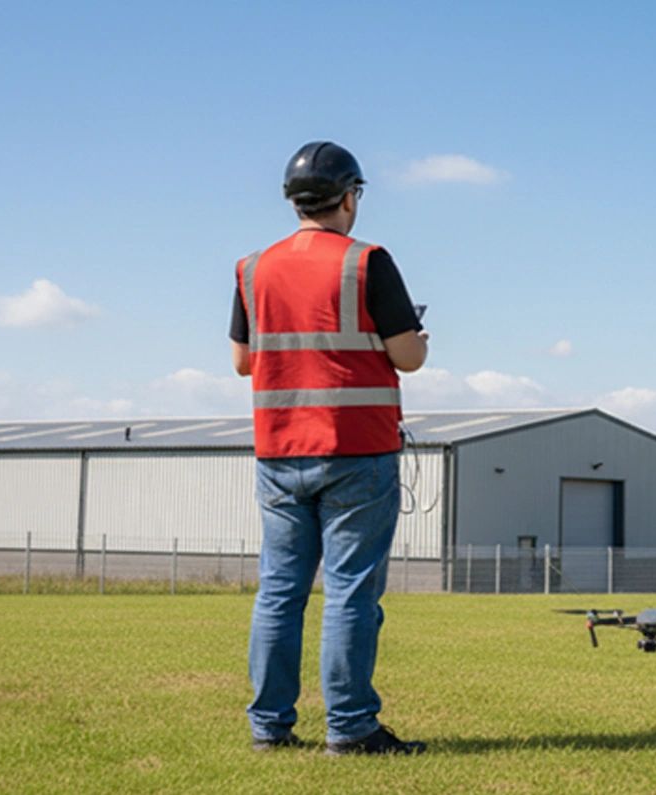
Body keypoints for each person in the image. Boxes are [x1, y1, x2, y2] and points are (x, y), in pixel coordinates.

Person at [229, 141, 430, 755]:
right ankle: (351, 727)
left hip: (279, 452)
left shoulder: (252, 269)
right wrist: (416, 336)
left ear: (293, 202)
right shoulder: (367, 262)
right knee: (350, 593)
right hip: (355, 450)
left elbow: (243, 361)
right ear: (348, 197)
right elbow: (408, 356)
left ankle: (269, 728)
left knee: (279, 592)